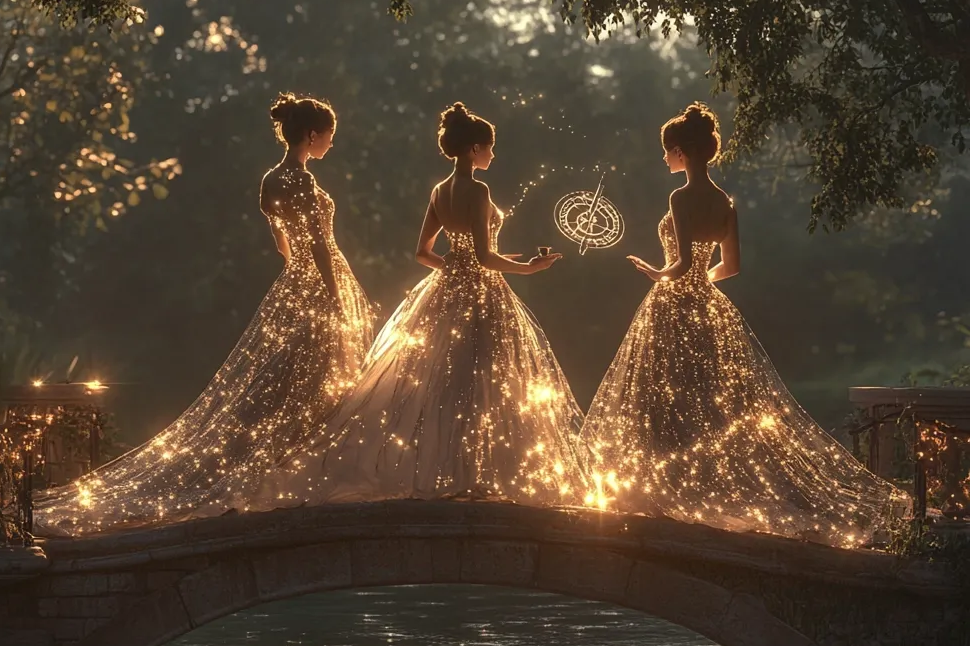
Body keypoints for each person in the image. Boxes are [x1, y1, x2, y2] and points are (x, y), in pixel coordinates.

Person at [34, 93, 374, 536]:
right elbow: (318, 245)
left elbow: (282, 243)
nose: (331, 143)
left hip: (294, 284)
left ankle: (283, 473)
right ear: (312, 135)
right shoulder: (304, 182)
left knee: (289, 380)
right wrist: (334, 295)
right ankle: (294, 475)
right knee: (318, 379)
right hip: (319, 283)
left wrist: (297, 277)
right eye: (329, 136)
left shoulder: (270, 179)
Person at [582, 102, 908, 546]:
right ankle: (700, 484)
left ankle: (664, 489)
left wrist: (656, 273)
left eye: (667, 151)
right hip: (708, 304)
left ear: (681, 151)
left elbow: (677, 263)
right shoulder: (725, 202)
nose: (663, 159)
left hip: (674, 304)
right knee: (712, 400)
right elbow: (730, 266)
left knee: (663, 396)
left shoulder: (679, 198)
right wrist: (701, 279)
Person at [258, 102, 589, 507]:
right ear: (472, 149)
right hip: (481, 291)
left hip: (446, 287)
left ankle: (441, 468)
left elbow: (424, 253)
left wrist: (455, 265)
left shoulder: (439, 190)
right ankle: (474, 473)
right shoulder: (479, 190)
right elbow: (485, 258)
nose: (492, 155)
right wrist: (531, 268)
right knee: (486, 381)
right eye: (489, 147)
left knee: (440, 383)